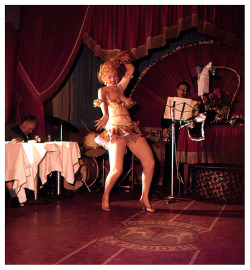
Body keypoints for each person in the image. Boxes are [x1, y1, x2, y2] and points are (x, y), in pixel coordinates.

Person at [93, 51, 155, 212]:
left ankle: (144, 196)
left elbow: (130, 70)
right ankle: (106, 195)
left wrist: (122, 60)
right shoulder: (103, 90)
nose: (113, 79)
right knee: (117, 169)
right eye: (109, 76)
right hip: (115, 129)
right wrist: (105, 116)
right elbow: (103, 107)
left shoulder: (121, 88)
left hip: (131, 129)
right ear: (104, 77)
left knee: (150, 162)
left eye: (115, 75)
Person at [161, 81, 191, 195]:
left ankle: (181, 186)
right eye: (181, 89)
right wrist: (164, 128)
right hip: (171, 132)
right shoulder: (170, 103)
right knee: (169, 159)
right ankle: (167, 187)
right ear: (177, 90)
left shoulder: (190, 105)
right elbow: (164, 117)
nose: (182, 92)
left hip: (183, 133)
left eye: (185, 90)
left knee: (182, 159)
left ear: (187, 92)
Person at [5, 115, 38, 208]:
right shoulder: (11, 129)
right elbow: (13, 139)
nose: (31, 131)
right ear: (24, 124)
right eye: (30, 129)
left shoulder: (26, 133)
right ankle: (14, 196)